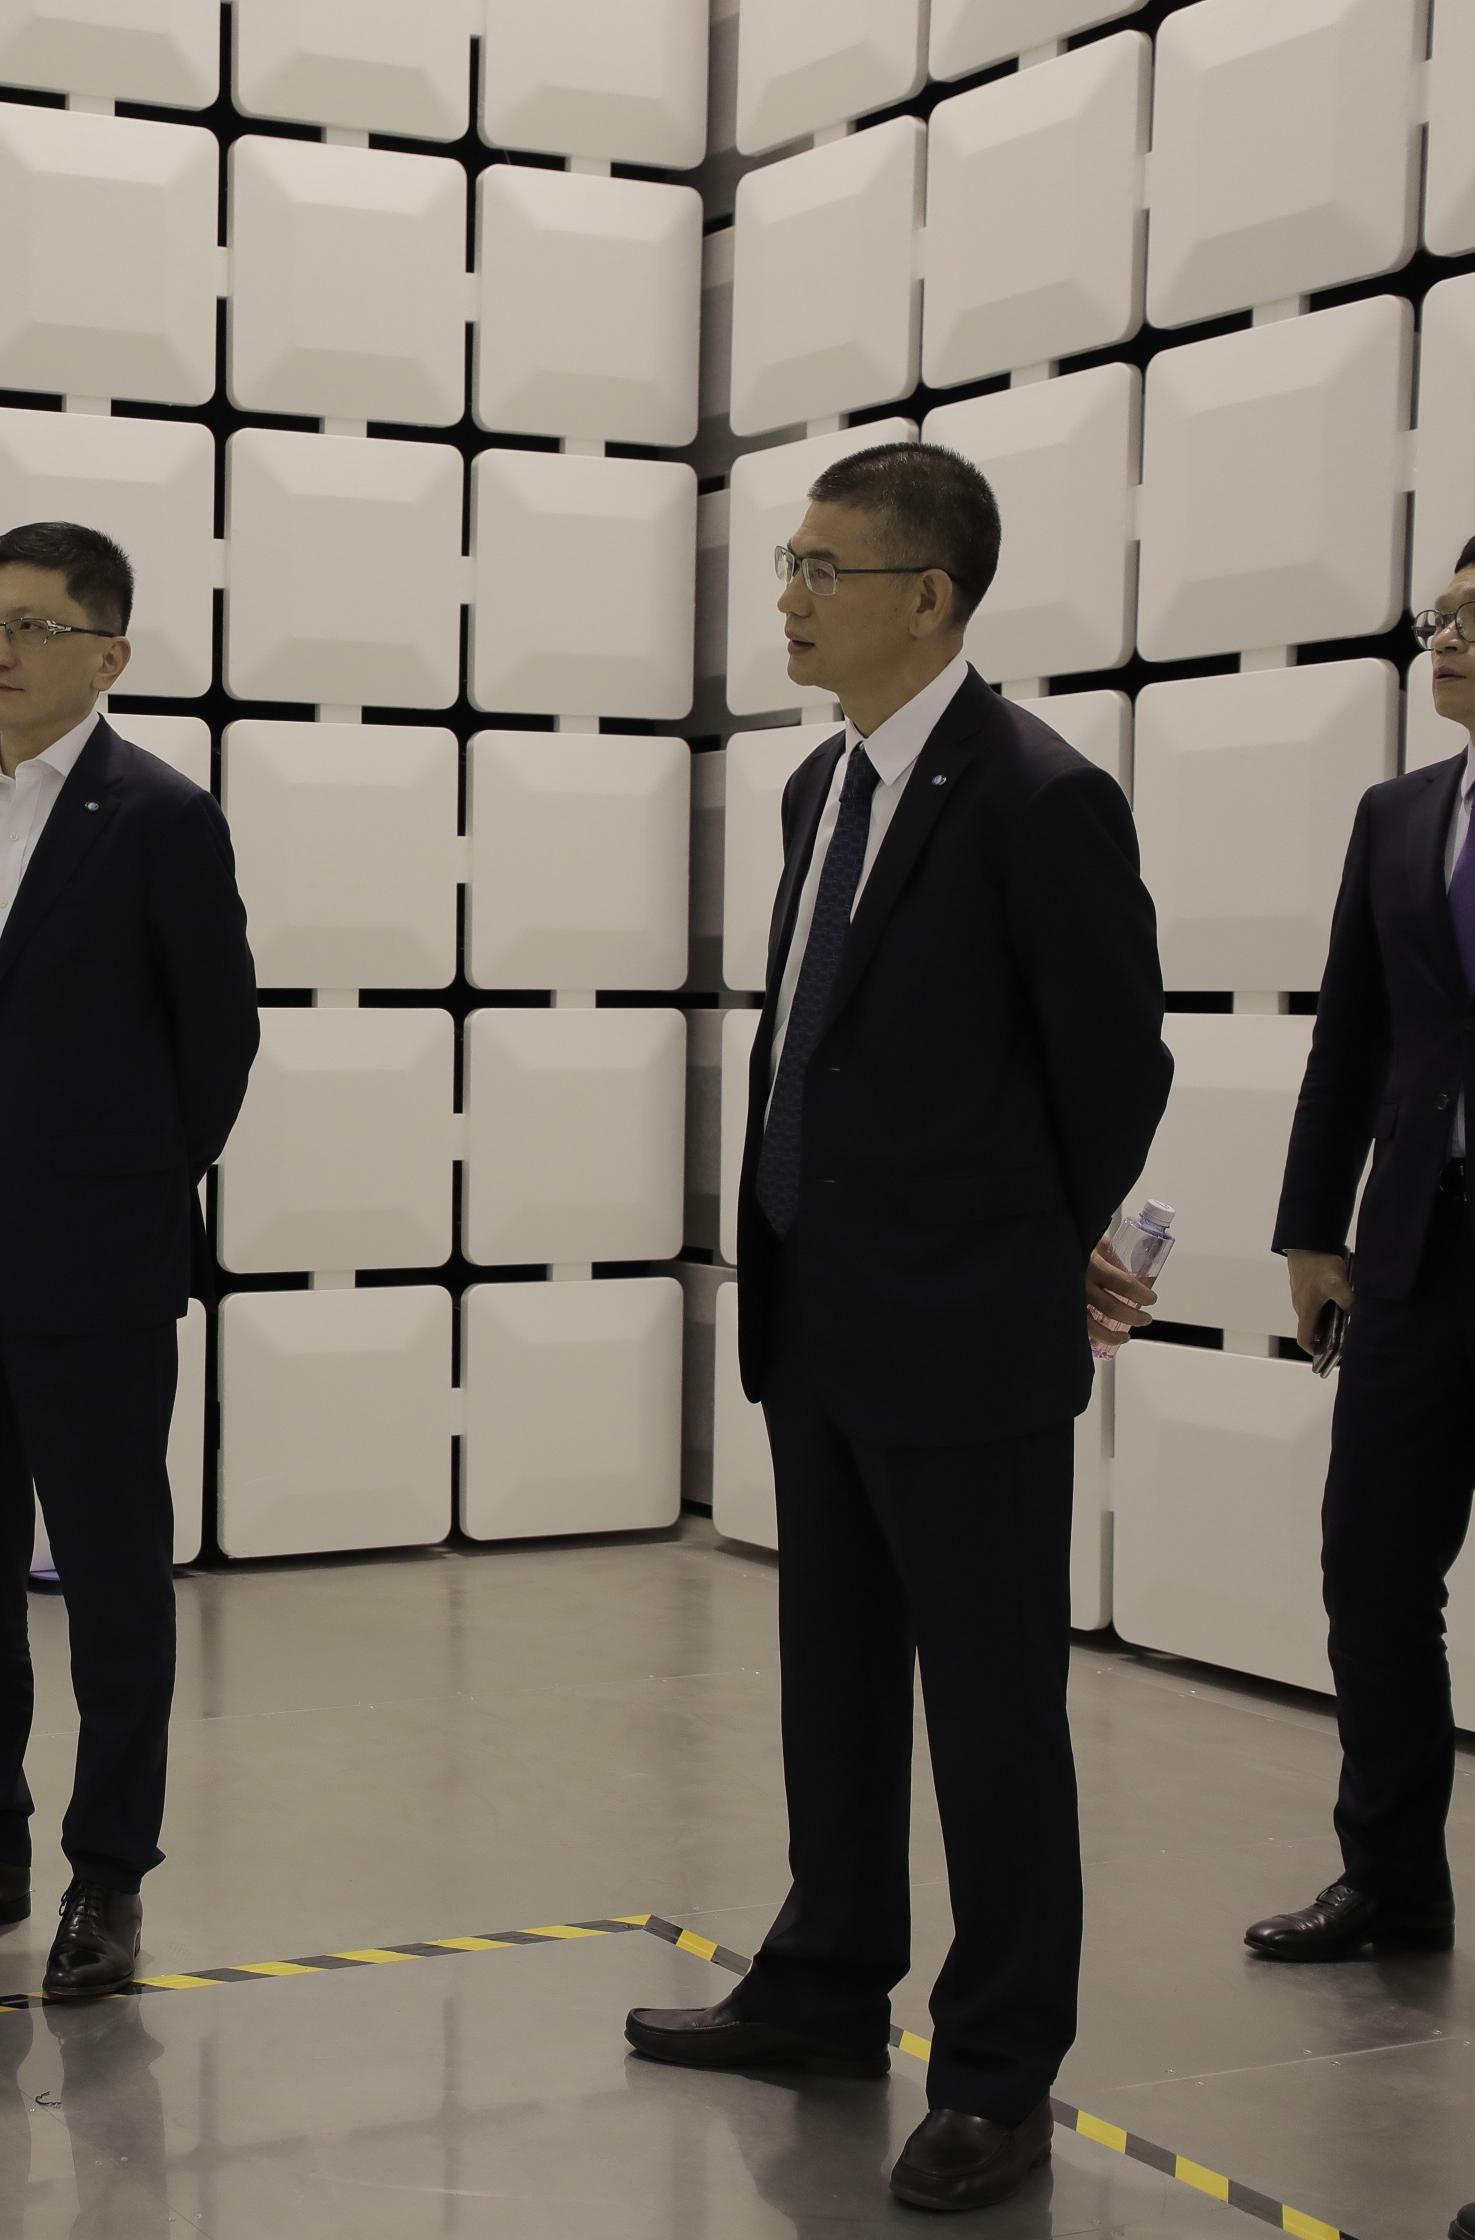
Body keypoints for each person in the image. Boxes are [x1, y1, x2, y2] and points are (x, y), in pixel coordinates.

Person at [618, 444, 1172, 2212]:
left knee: (993, 1719)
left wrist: (1022, 1252)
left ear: (927, 597)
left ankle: (998, 2068)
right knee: (835, 1681)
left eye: (819, 569)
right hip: (823, 1308)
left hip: (964, 1330)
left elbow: (1116, 1067)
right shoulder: (822, 785)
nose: (784, 597)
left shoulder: (1039, 797)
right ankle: (826, 1982)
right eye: (787, 562)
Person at [0, 520, 260, 1999]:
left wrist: (121, 1185)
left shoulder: (160, 816)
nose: (0, 650)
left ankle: (109, 1874)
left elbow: (218, 1041)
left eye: (33, 625)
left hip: (98, 1256)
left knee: (110, 1580)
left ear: (110, 655)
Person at [1253, 513, 1475, 2096]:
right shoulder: (1398, 816)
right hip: (1408, 1259)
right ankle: (1390, 1882)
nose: (1445, 639)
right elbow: (1353, 1034)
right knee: (1371, 1573)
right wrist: (1309, 1227)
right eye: (1440, 614)